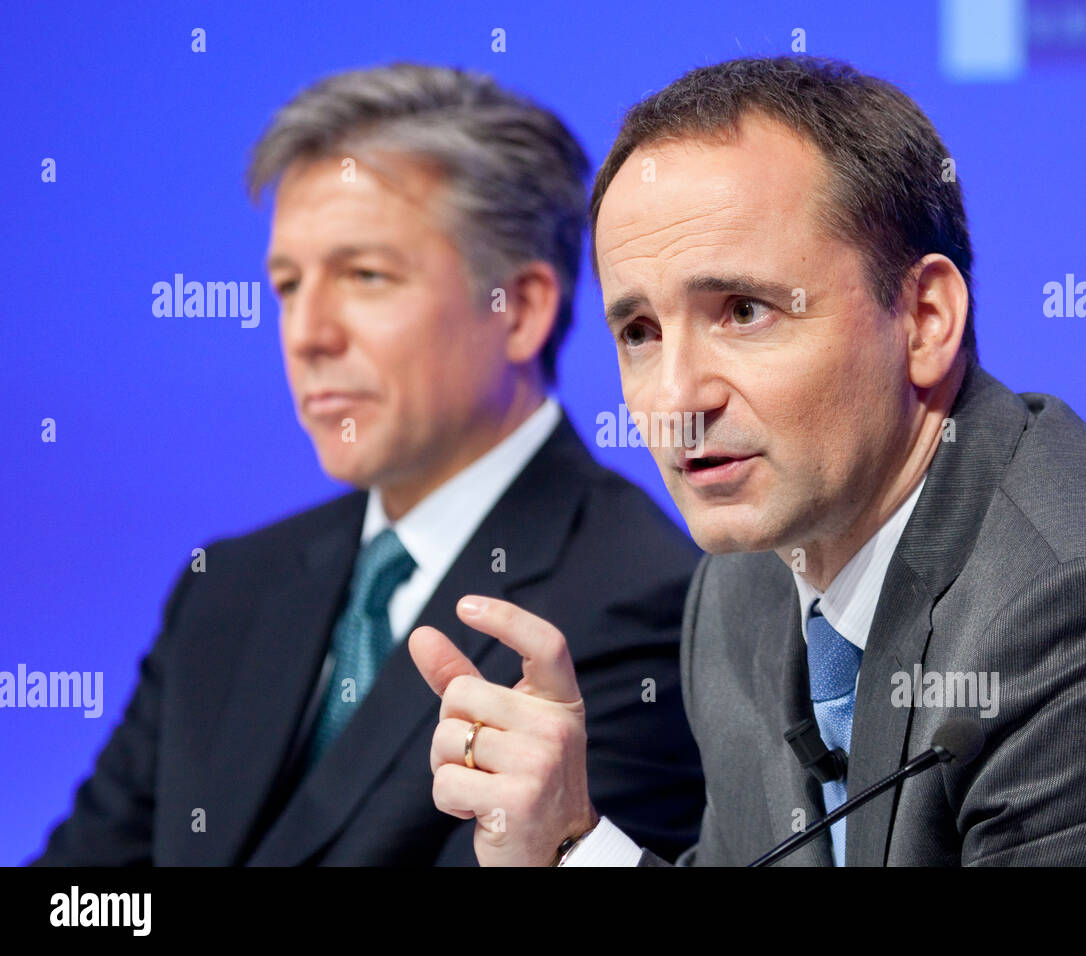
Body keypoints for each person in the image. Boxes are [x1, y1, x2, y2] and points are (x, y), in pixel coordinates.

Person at [409, 55, 1086, 866]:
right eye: (638, 331)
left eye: (744, 310)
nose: (676, 397)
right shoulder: (744, 588)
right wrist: (567, 847)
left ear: (925, 321)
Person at [31, 63, 705, 866]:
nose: (306, 333)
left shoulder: (642, 605)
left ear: (519, 309)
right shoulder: (228, 585)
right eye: (287, 285)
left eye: (364, 276)